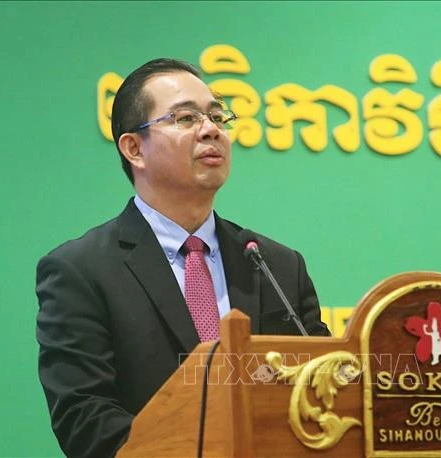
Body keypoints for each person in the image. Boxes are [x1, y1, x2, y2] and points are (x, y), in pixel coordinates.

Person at [35, 58, 330, 458]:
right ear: (134, 148)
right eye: (185, 118)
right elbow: (85, 418)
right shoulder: (82, 270)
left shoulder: (276, 265)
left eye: (216, 116)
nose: (211, 130)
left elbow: (323, 390)